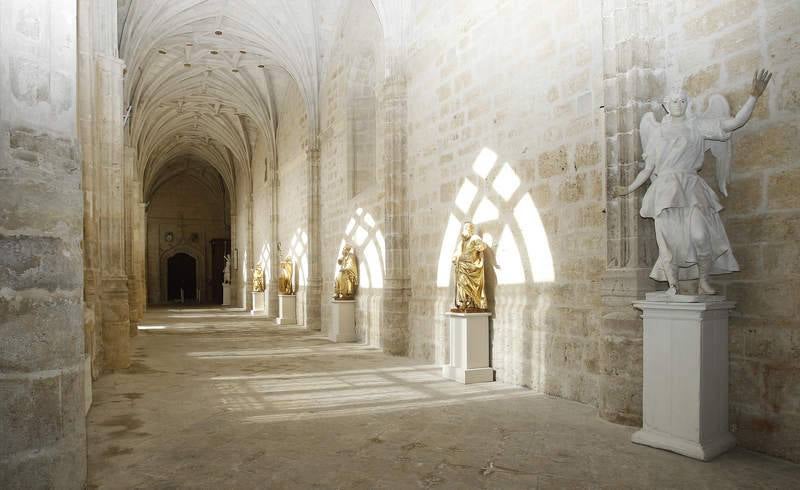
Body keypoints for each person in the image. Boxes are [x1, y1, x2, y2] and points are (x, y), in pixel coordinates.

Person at [614, 69, 772, 295]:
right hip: (665, 189)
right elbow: (648, 169)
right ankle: (673, 285)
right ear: (666, 106)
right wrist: (628, 189)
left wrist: (753, 96)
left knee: (700, 235)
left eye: (681, 100)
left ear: (686, 103)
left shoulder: (697, 125)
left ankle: (704, 280)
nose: (678, 104)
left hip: (691, 186)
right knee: (666, 242)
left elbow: (733, 123)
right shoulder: (658, 133)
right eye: (673, 101)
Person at [452, 221, 488, 311]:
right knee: (462, 283)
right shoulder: (461, 242)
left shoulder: (475, 238)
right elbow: (457, 252)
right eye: (465, 227)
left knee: (468, 284)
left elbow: (483, 246)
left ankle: (472, 302)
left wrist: (481, 247)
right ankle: (464, 302)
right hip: (462, 267)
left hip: (471, 267)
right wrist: (455, 257)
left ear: (471, 229)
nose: (466, 229)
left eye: (468, 227)